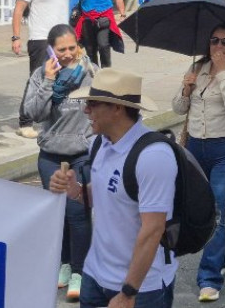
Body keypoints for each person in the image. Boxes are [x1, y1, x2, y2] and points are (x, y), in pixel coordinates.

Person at [48, 68, 178, 308]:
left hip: (140, 288)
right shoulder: (99, 142)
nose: (86, 110)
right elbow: (107, 194)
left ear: (117, 108)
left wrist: (128, 292)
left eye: (93, 104)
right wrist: (75, 189)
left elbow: (153, 229)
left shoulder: (154, 156)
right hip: (95, 275)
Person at [172, 24, 225, 302]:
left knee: (217, 210)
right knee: (203, 210)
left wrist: (222, 75)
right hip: (195, 147)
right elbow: (179, 109)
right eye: (214, 40)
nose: (218, 46)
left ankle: (209, 277)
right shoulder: (198, 66)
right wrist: (185, 88)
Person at [23, 23, 96, 302]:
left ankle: (79, 270)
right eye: (61, 49)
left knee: (78, 214)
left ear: (78, 45)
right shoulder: (41, 74)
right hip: (51, 156)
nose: (67, 54)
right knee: (58, 215)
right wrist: (49, 82)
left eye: (71, 47)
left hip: (81, 154)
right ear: (51, 49)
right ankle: (64, 264)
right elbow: (33, 112)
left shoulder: (90, 72)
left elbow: (101, 108)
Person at [12, 0, 94, 138]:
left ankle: (54, 117)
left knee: (62, 79)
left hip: (62, 40)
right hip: (40, 38)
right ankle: (25, 122)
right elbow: (18, 9)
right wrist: (16, 37)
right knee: (37, 79)